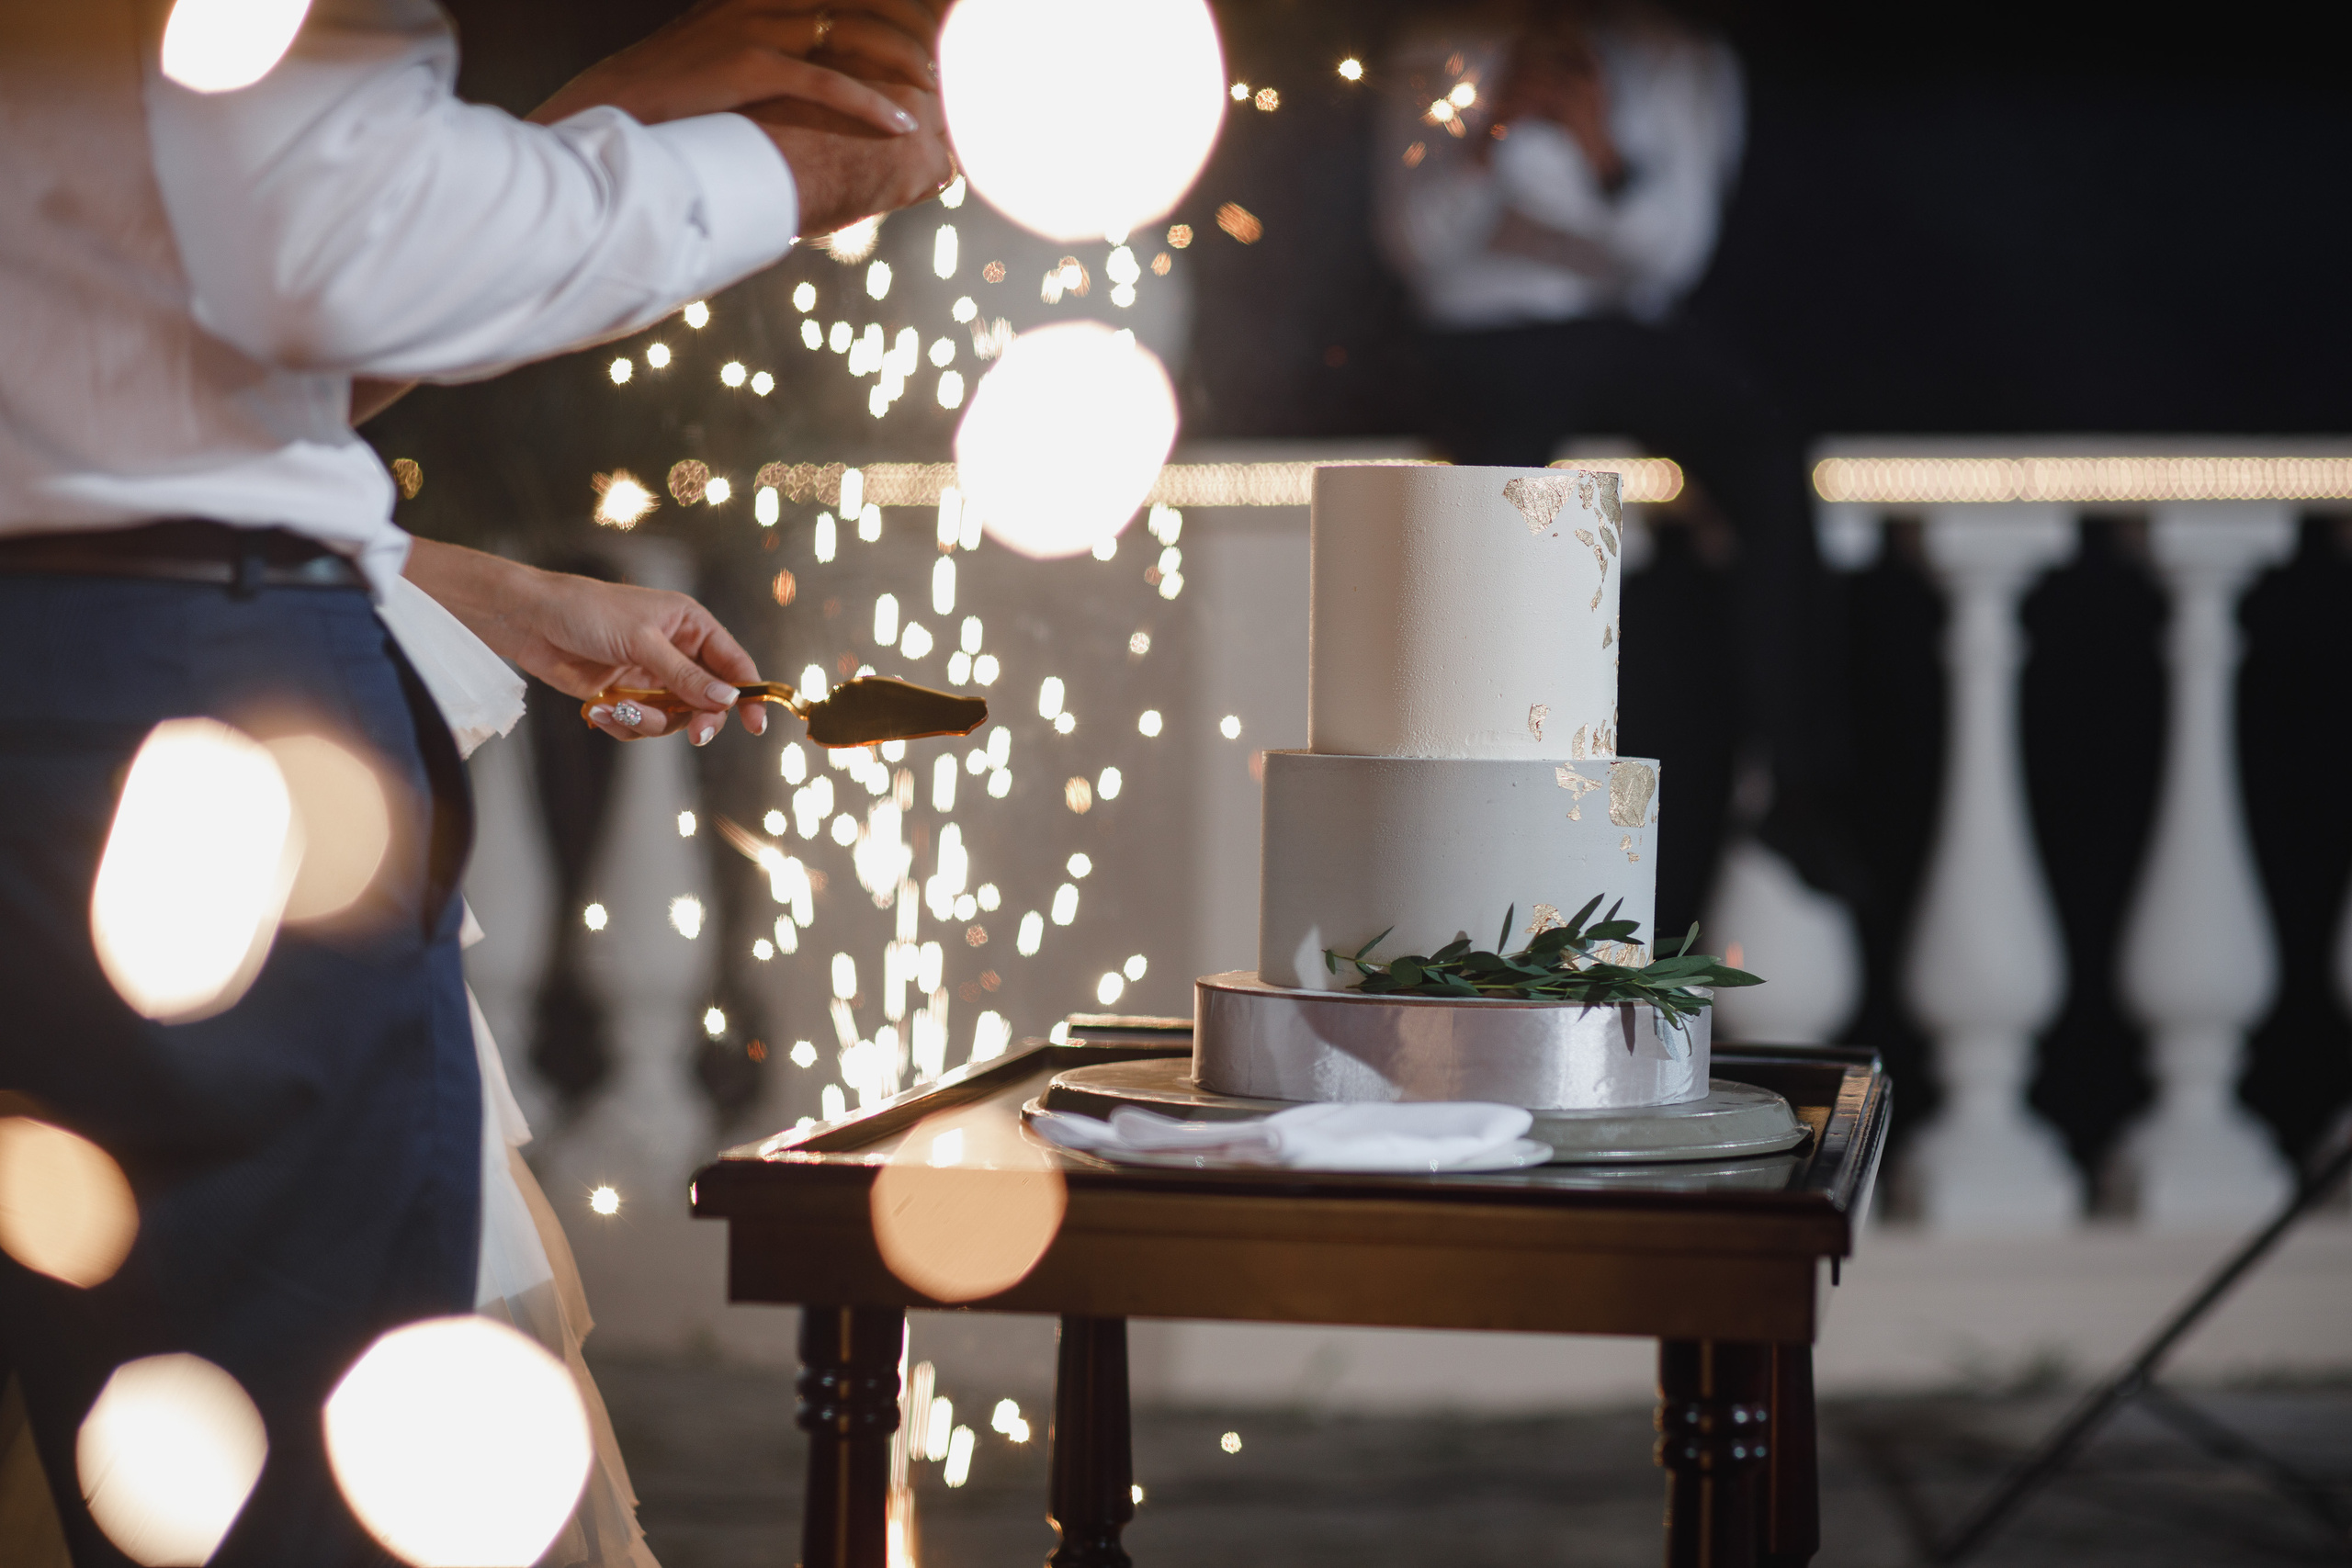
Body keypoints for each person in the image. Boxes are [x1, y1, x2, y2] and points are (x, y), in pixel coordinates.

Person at [0, 2, 951, 1562]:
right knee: (296, 1462)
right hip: (182, 717)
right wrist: (769, 174)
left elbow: (137, 353)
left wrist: (596, 120)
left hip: (113, 660)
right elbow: (337, 244)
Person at [1375, 1, 1856, 937]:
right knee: (1492, 517)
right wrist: (1494, 135)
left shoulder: (1682, 62)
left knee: (1764, 452)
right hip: (1482, 341)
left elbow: (1669, 255)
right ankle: (1479, 784)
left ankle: (1801, 780)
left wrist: (1597, 150)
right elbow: (1422, 249)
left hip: (1625, 334)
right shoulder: (1436, 50)